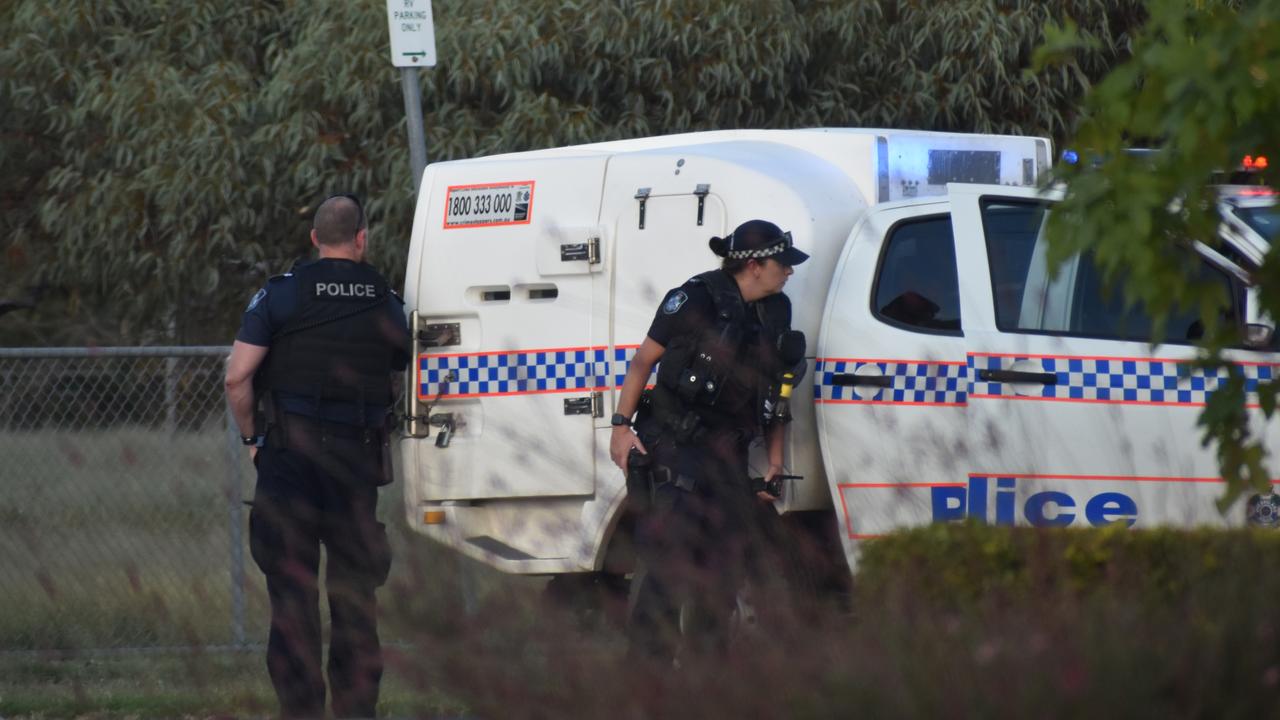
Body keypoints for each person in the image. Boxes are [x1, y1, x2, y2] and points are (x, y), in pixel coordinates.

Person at [224, 193, 410, 719]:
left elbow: (237, 377)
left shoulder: (282, 295)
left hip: (288, 461)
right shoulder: (385, 299)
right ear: (361, 238)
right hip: (354, 465)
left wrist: (253, 440)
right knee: (354, 600)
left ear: (313, 239)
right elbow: (402, 360)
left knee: (291, 599)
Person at [609, 218, 809, 663]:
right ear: (755, 265)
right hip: (676, 451)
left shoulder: (777, 311)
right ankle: (646, 685)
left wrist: (773, 458)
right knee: (666, 572)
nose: (790, 272)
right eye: (783, 264)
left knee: (720, 576)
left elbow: (778, 388)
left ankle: (709, 686)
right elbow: (643, 361)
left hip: (729, 459)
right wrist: (621, 428)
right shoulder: (696, 298)